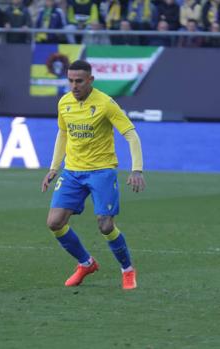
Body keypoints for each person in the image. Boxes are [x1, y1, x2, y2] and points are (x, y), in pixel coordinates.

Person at [41, 60, 145, 290]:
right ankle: (86, 263)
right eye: (70, 80)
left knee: (105, 226)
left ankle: (127, 269)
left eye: (79, 81)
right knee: (54, 222)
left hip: (102, 171)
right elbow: (63, 134)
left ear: (90, 80)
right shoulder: (64, 102)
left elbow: (131, 135)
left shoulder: (106, 104)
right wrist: (53, 168)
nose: (74, 85)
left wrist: (136, 169)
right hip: (72, 172)